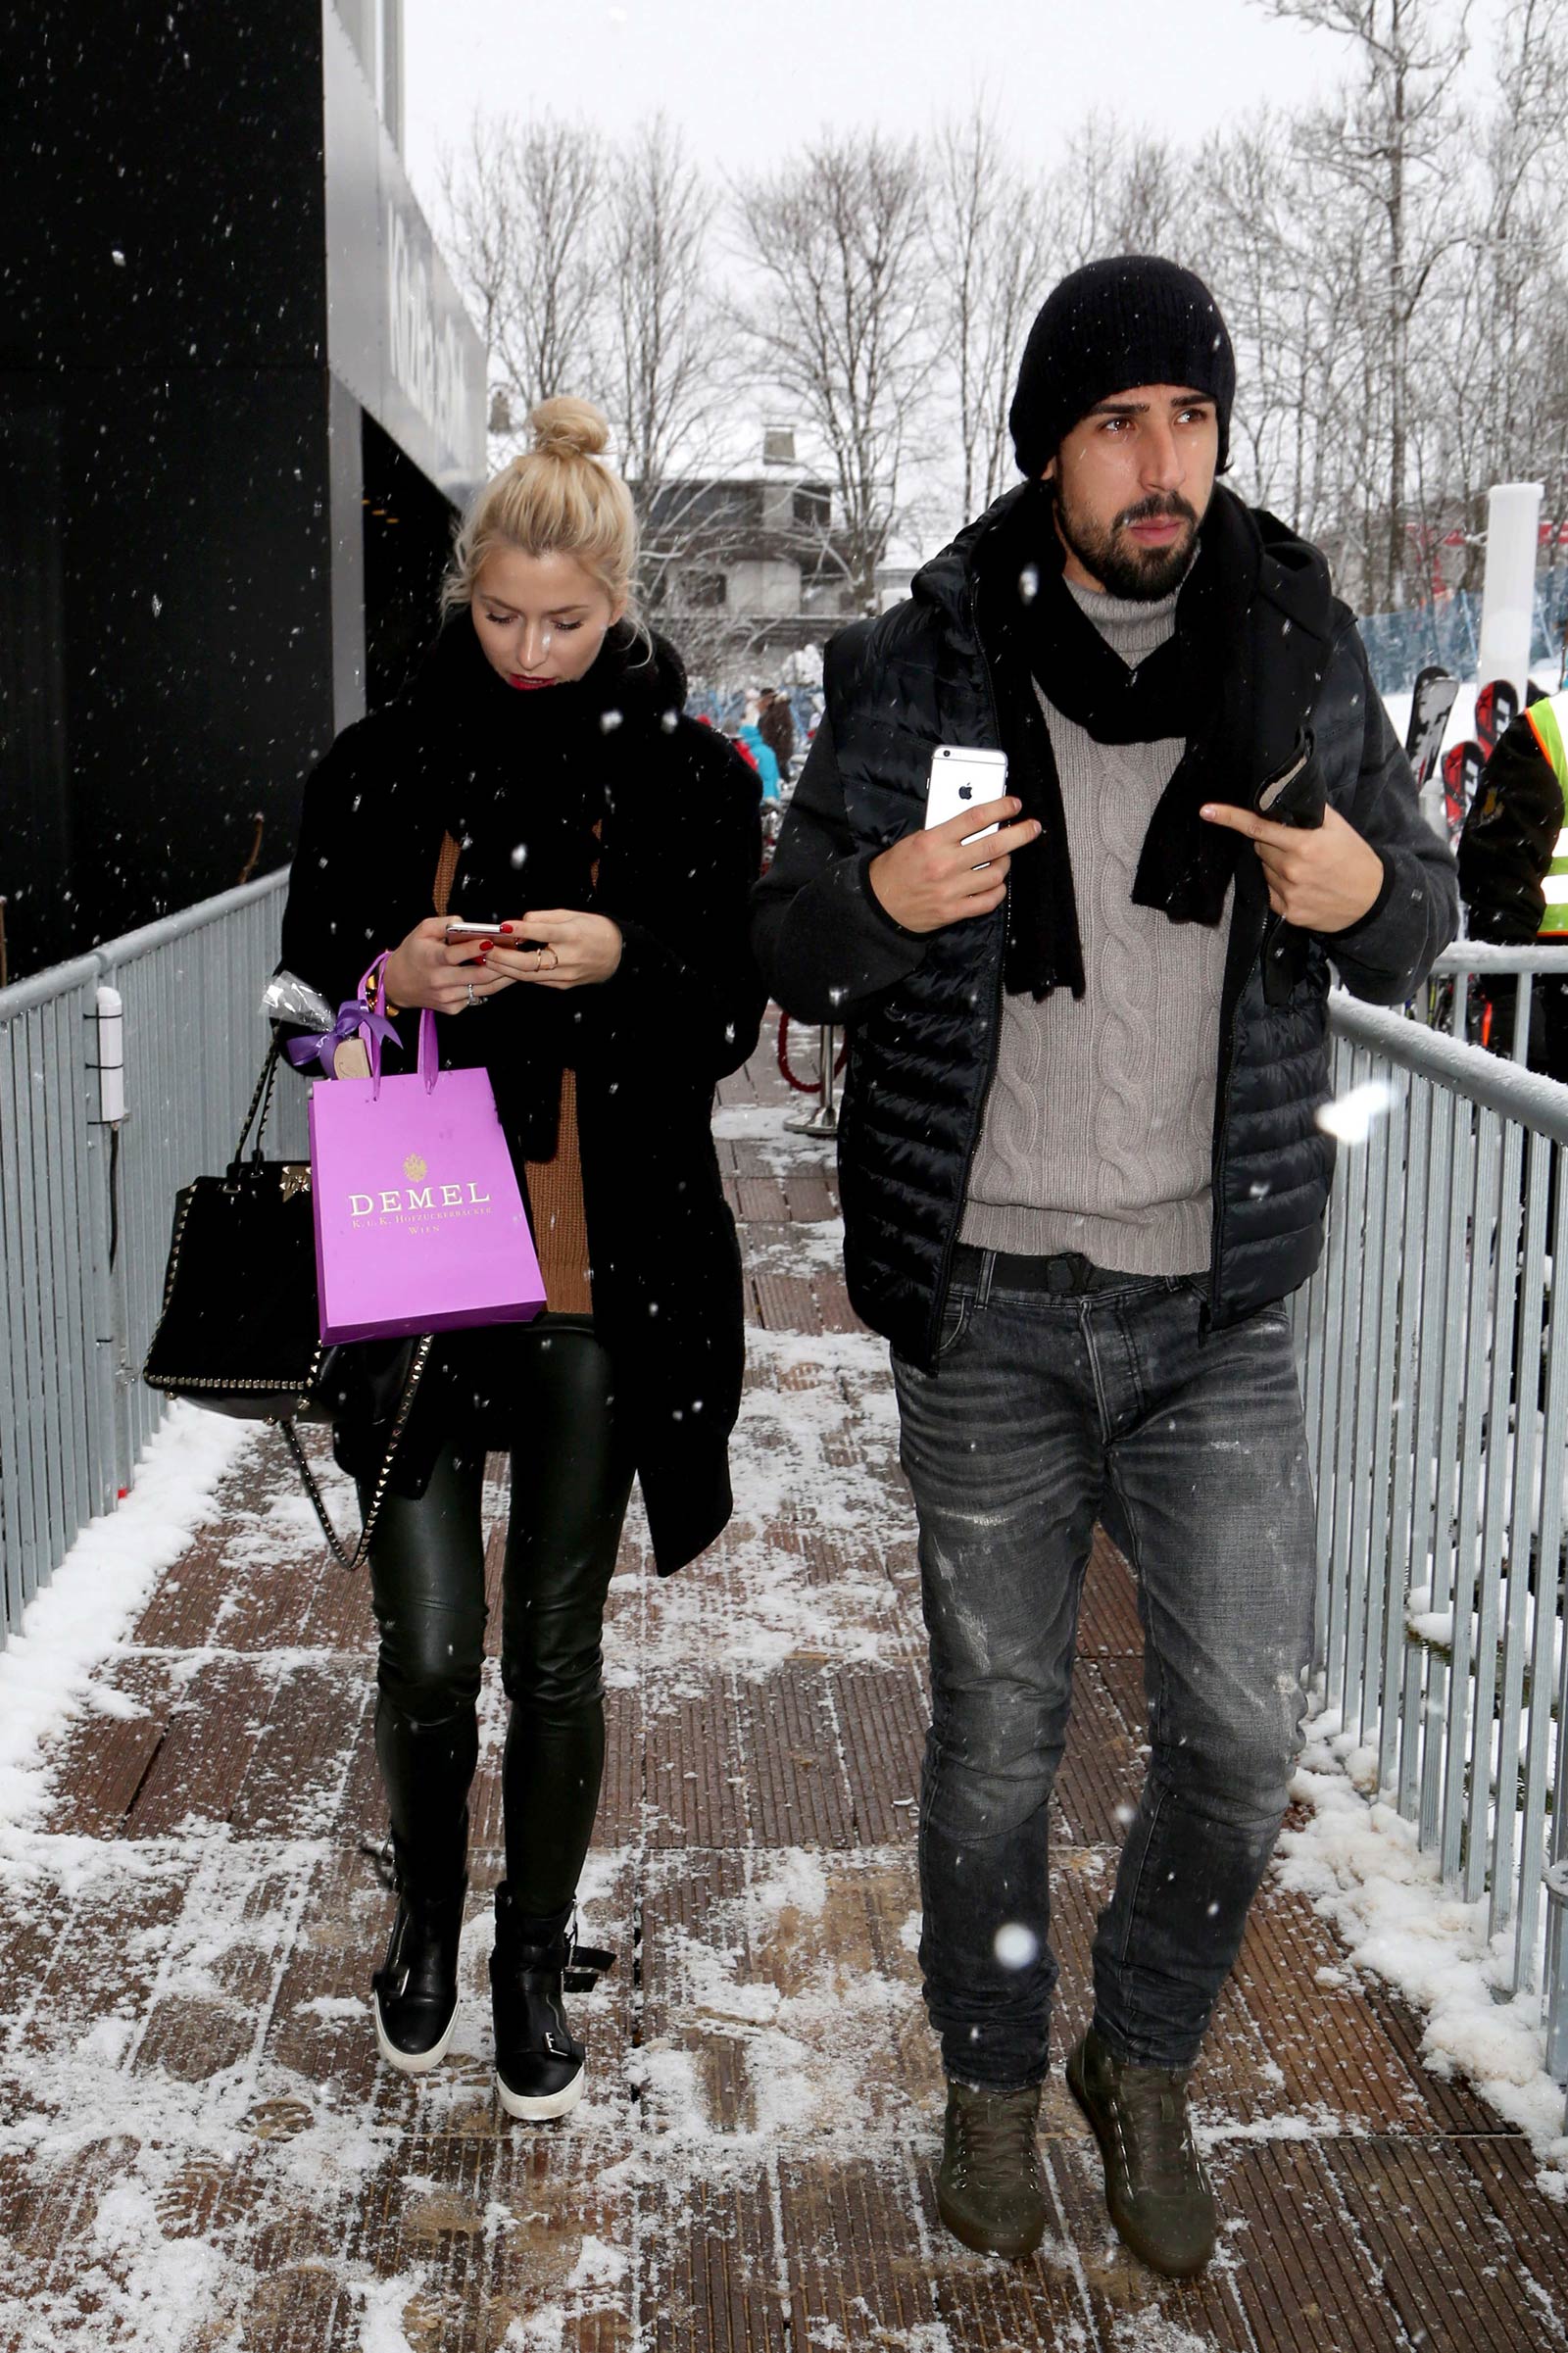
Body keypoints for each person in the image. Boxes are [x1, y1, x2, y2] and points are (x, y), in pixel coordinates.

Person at [753, 258, 1456, 2276]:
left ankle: (1131, 2058)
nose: (1160, 465)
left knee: (1237, 1732)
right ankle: (990, 2080)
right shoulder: (927, 656)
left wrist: (1356, 896)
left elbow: (1406, 910)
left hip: (1208, 1307)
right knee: (993, 1734)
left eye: (1187, 420)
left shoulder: (1295, 643)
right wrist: (877, 895)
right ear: (1046, 450)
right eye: (1116, 425)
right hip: (984, 1302)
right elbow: (787, 930)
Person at [280, 397, 763, 2123]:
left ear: (618, 597)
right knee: (426, 1645)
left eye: (568, 619)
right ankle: (421, 1910)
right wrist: (391, 985)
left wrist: (614, 953)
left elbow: (720, 1015)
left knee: (553, 1644)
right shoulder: (377, 766)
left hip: (597, 1270)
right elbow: (302, 1018)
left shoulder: (691, 779)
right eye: (504, 616)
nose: (536, 650)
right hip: (414, 1254)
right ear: (466, 594)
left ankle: (525, 1944)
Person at [1456, 691, 1568, 1077]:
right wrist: (1511, 995)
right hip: (1552, 983)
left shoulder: (1550, 726)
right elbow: (1499, 870)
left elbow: (1496, 868)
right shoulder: (1549, 728)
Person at [758, 686, 797, 778]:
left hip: (778, 749)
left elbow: (785, 729)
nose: (764, 702)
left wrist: (781, 749)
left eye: (766, 699)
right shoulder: (770, 710)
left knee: (781, 773)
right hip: (773, 748)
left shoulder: (779, 708)